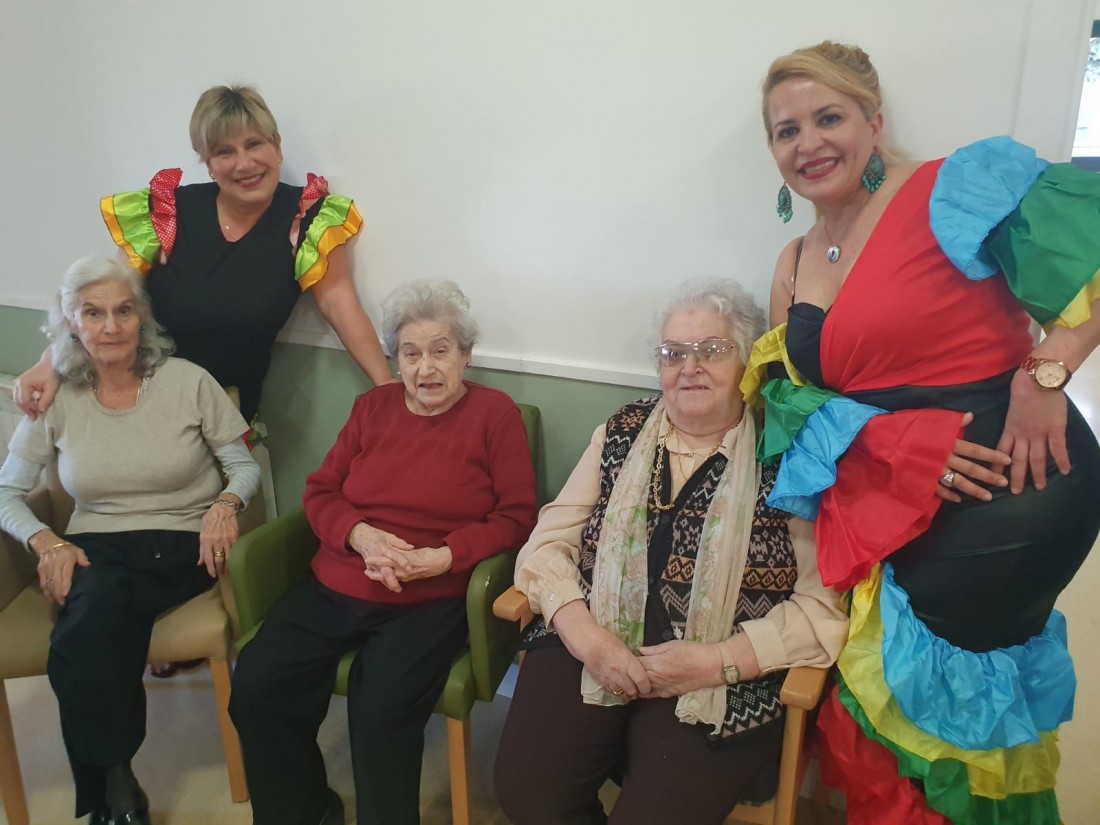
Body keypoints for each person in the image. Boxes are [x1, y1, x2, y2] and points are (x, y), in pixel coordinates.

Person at [749, 40, 1100, 825]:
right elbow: (790, 403)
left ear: (873, 122)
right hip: (891, 500)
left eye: (829, 118)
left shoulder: (953, 186)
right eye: (786, 130)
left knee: (944, 732)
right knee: (884, 720)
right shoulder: (794, 260)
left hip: (1012, 484)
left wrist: (1043, 371)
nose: (808, 143)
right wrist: (893, 448)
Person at [13, 83, 393, 678]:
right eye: (224, 152)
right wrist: (49, 360)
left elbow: (339, 303)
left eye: (255, 144)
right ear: (205, 161)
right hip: (137, 395)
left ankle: (125, 623)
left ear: (277, 145)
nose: (244, 163)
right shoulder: (170, 211)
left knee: (186, 535)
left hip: (225, 410)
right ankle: (117, 630)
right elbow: (106, 300)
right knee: (131, 533)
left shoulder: (307, 218)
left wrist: (387, 388)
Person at [493, 280, 848, 825]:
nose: (690, 367)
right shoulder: (621, 430)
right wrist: (587, 638)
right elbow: (548, 542)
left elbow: (820, 608)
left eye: (712, 350)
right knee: (528, 795)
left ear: (748, 361)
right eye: (673, 353)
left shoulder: (786, 455)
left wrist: (719, 661)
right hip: (595, 638)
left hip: (720, 673)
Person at [228, 279, 537, 825]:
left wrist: (443, 557)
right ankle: (304, 812)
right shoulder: (372, 407)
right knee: (257, 684)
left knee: (380, 712)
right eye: (410, 354)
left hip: (430, 596)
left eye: (441, 350)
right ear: (395, 360)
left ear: (465, 355)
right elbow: (321, 491)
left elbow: (516, 517)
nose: (426, 368)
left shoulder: (496, 415)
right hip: (340, 581)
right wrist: (359, 535)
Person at [0, 255, 261, 825]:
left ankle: (114, 794)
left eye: (123, 311)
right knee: (92, 615)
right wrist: (46, 542)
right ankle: (118, 782)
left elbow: (244, 466)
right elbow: (6, 493)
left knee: (85, 622)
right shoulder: (56, 399)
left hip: (182, 542)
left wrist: (225, 506)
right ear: (71, 323)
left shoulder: (188, 381)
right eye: (93, 313)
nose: (111, 326)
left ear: (143, 318)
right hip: (95, 547)